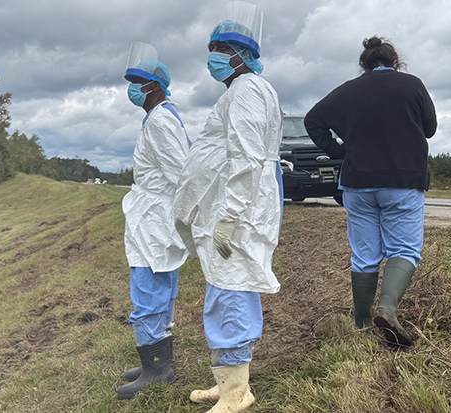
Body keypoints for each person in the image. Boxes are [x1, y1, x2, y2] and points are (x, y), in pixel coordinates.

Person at [174, 2, 282, 411]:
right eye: (213, 47)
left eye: (224, 47)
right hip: (233, 207)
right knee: (226, 288)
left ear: (243, 55)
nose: (214, 55)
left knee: (230, 291)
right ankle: (230, 381)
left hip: (238, 211)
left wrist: (229, 216)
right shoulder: (245, 90)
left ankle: (237, 394)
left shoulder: (247, 90)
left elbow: (246, 158)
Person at [304, 36, 437, 347]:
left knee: (365, 256)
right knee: (403, 250)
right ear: (395, 63)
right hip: (403, 179)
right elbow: (429, 128)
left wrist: (337, 150)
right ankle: (387, 309)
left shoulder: (347, 90)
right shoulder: (412, 85)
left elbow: (313, 120)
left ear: (364, 66)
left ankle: (363, 323)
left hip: (357, 182)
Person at [117, 42, 191, 400]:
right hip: (155, 216)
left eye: (139, 81)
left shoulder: (160, 121)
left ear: (156, 86)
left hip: (155, 218)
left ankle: (156, 367)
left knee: (147, 288)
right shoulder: (160, 118)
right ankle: (157, 359)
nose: (133, 88)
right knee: (158, 286)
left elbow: (180, 173)